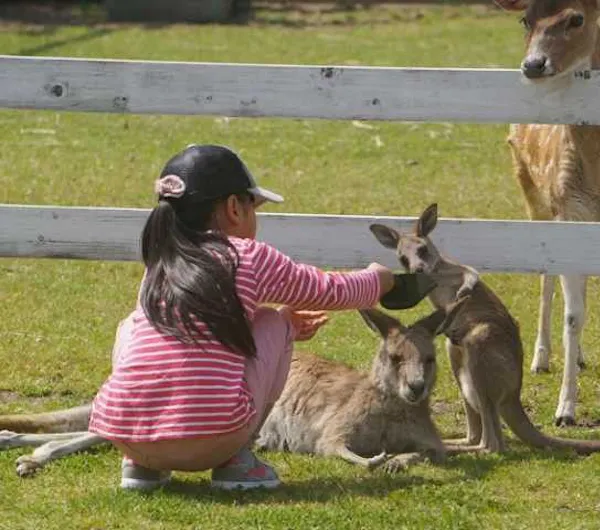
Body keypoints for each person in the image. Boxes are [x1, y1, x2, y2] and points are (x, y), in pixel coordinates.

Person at [88, 144, 397, 491]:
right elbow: (328, 291)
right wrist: (378, 279)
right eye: (254, 206)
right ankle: (237, 461)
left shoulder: (159, 264)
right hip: (213, 439)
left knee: (132, 325)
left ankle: (141, 469)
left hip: (130, 437)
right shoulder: (246, 255)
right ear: (235, 207)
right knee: (274, 322)